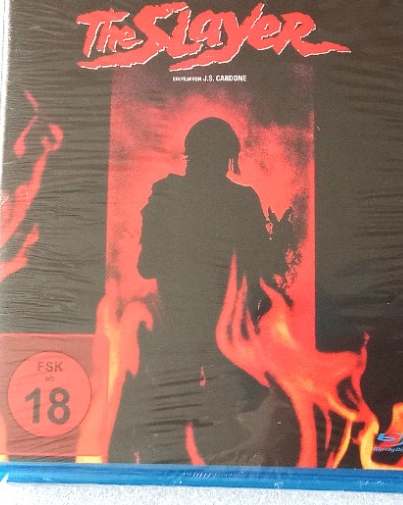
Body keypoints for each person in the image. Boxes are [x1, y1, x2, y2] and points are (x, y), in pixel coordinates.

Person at [109, 118, 291, 464]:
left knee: (180, 427)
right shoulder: (240, 200)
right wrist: (280, 241)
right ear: (228, 158)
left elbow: (148, 265)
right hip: (224, 336)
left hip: (181, 331)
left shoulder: (167, 195)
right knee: (226, 426)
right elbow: (261, 267)